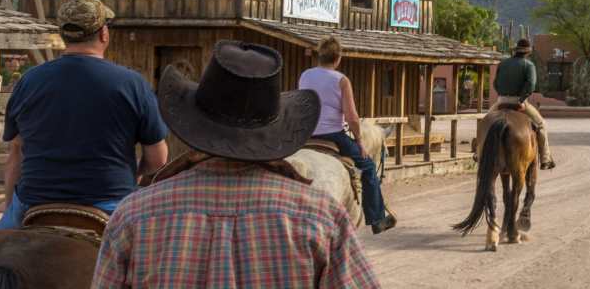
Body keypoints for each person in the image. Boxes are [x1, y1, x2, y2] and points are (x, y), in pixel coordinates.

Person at [92, 41, 379, 288]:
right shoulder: (323, 217)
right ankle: (377, 213)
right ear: (275, 128)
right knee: (366, 168)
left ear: (193, 122)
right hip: (334, 135)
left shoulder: (133, 215)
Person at [0, 0, 169, 230]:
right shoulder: (133, 84)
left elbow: (16, 153)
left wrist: (8, 204)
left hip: (34, 201)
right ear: (104, 34)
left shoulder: (29, 81)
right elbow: (158, 159)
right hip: (111, 203)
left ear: (63, 35)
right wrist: (136, 172)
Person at [299, 36, 397, 234]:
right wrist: (359, 141)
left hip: (305, 135)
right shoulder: (341, 80)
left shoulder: (305, 75)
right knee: (368, 167)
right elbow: (352, 117)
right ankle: (377, 219)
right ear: (338, 59)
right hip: (333, 135)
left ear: (319, 56)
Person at [492, 38, 556, 170]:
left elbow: (495, 83)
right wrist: (521, 100)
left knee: (485, 122)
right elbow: (531, 85)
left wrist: (502, 96)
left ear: (516, 50)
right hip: (519, 102)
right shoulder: (529, 65)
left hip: (501, 100)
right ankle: (545, 159)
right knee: (541, 124)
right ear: (527, 52)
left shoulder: (502, 64)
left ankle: (479, 152)